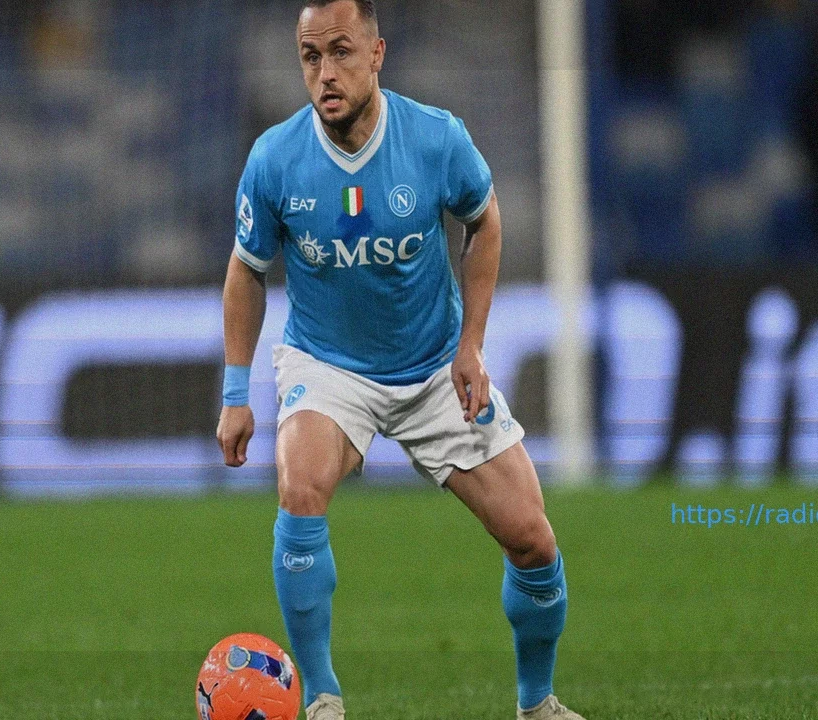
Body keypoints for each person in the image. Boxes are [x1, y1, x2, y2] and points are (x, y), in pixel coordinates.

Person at [215, 2, 580, 718]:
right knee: (300, 487)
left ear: (377, 54)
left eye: (341, 52)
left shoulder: (436, 139)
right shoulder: (275, 159)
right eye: (311, 57)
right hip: (328, 367)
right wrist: (235, 394)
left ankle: (537, 704)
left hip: (435, 367)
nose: (325, 73)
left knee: (533, 541)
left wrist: (471, 346)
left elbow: (484, 222)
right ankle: (322, 697)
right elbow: (245, 270)